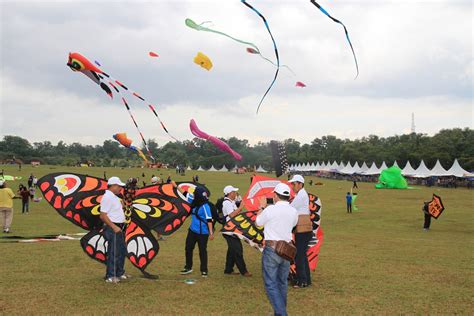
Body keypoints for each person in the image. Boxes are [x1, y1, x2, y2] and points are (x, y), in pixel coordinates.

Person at [257, 183, 298, 316]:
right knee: (282, 283)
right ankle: (279, 312)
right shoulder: (294, 211)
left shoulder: (270, 210)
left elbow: (258, 222)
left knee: (270, 284)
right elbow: (292, 226)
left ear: (275, 195)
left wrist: (262, 207)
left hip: (272, 249)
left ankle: (281, 313)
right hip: (286, 250)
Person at [174, 181, 214, 277]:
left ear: (198, 195)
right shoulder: (193, 200)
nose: (192, 194)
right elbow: (185, 193)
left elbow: (209, 220)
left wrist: (211, 233)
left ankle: (204, 270)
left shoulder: (205, 206)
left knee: (202, 251)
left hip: (203, 233)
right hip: (192, 230)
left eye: (194, 193)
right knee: (188, 248)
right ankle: (188, 267)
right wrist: (175, 186)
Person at [99, 176, 128, 283]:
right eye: (119, 186)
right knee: (114, 251)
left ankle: (120, 272)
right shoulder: (107, 197)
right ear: (113, 186)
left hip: (119, 227)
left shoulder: (114, 197)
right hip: (113, 227)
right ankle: (111, 275)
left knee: (121, 250)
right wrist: (114, 226)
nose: (120, 188)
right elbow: (103, 215)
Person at [222, 185, 252, 277]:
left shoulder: (231, 202)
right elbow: (232, 215)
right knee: (238, 250)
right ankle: (244, 271)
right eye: (234, 192)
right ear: (230, 193)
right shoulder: (227, 203)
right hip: (229, 231)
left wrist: (239, 203)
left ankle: (228, 269)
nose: (236, 193)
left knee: (232, 250)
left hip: (233, 229)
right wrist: (240, 207)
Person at [289, 175, 312, 288]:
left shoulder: (301, 195)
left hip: (302, 230)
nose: (292, 186)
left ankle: (302, 281)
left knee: (299, 256)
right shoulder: (301, 194)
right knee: (302, 255)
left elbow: (290, 208)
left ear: (300, 184)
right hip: (304, 229)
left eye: (293, 184)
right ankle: (306, 280)